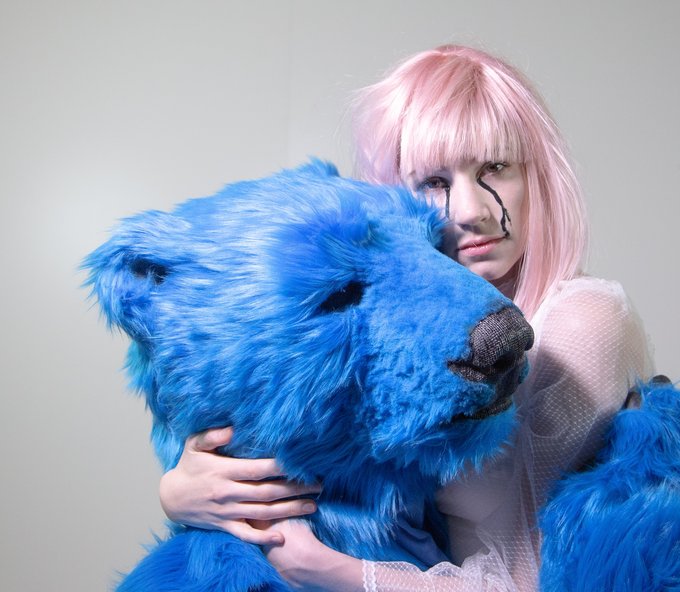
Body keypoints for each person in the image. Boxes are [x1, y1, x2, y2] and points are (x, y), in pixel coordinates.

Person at [159, 45, 654, 591]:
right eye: (434, 183)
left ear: (537, 175)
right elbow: (316, 445)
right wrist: (181, 490)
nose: (471, 211)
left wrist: (339, 572)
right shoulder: (412, 335)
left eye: (495, 168)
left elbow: (536, 579)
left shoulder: (583, 322)